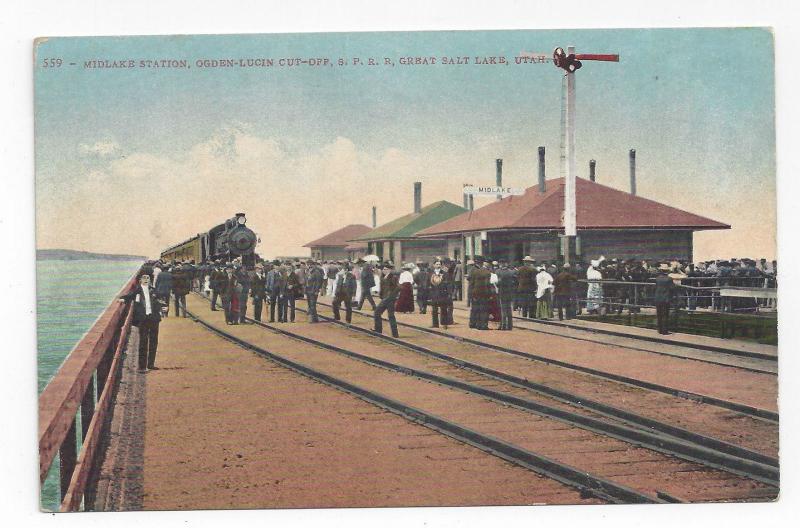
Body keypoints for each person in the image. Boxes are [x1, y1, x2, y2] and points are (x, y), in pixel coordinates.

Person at [119, 273, 166, 371]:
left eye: (148, 278)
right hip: (143, 319)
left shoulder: (153, 290)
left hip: (154, 318)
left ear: (150, 280)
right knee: (143, 342)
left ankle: (151, 364)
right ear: (140, 280)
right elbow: (129, 296)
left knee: (154, 341)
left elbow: (158, 301)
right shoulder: (137, 290)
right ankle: (142, 366)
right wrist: (123, 299)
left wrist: (163, 307)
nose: (146, 279)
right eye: (144, 278)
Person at [374, 262, 400, 337]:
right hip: (385, 298)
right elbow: (382, 288)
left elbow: (398, 287)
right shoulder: (383, 277)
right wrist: (381, 296)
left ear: (389, 270)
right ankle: (379, 330)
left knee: (382, 313)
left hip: (390, 299)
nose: (384, 270)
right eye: (383, 269)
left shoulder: (393, 277)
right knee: (384, 314)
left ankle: (394, 334)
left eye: (385, 269)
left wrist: (392, 296)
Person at [468, 257, 491, 330]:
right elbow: (488, 284)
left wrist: (471, 293)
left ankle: (475, 324)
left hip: (475, 292)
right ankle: (483, 325)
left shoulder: (474, 271)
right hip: (484, 293)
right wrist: (489, 294)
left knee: (476, 308)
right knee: (484, 309)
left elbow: (471, 283)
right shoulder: (487, 272)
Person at [654, 263, 676, 335]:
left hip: (658, 298)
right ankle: (665, 330)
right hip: (666, 298)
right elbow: (672, 288)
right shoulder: (669, 279)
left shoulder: (657, 278)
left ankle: (659, 329)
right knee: (665, 315)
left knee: (659, 314)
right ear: (667, 271)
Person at [496, 260, 517, 330]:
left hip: (502, 293)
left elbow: (498, 283)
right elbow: (514, 281)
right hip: (510, 293)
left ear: (501, 264)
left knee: (503, 310)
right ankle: (510, 325)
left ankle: (503, 325)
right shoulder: (511, 272)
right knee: (509, 309)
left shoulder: (498, 272)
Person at [429, 260, 451, 328]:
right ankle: (435, 324)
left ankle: (444, 323)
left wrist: (448, 293)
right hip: (434, 294)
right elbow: (428, 283)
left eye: (439, 264)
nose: (438, 265)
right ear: (434, 265)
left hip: (442, 293)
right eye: (437, 264)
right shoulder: (430, 274)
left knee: (444, 309)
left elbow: (448, 284)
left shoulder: (445, 273)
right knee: (434, 309)